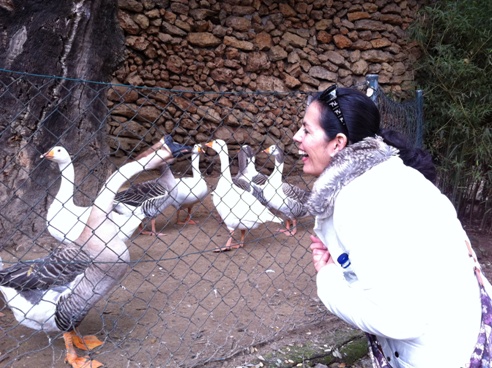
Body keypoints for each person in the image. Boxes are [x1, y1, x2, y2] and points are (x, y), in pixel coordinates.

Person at [292, 85, 490, 367]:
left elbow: (399, 320)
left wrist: (327, 278)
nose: (296, 137)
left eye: (306, 130)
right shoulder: (393, 175)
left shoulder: (356, 202)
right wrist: (343, 264)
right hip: (468, 333)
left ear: (337, 143)